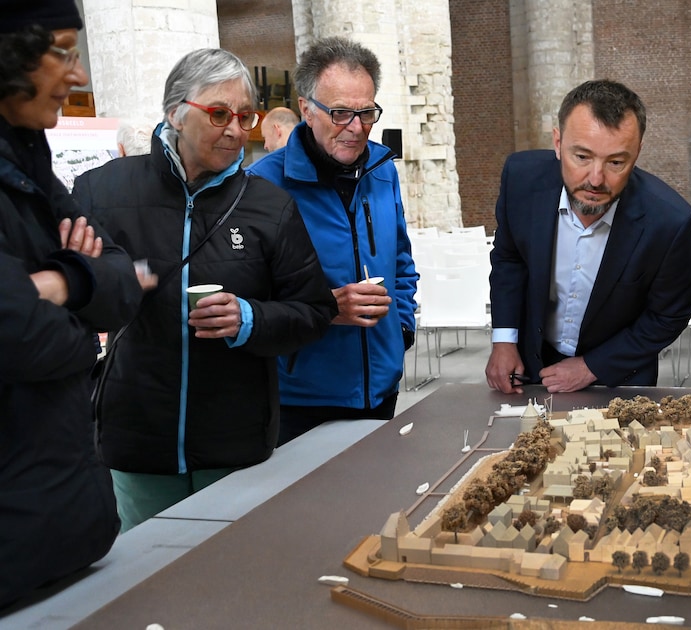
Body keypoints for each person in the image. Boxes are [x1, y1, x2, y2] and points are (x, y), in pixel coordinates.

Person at [75, 48, 337, 531]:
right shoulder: (101, 193)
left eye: (245, 116)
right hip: (139, 435)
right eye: (218, 114)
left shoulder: (269, 205)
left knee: (229, 583)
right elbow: (70, 305)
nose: (236, 130)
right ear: (175, 113)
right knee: (143, 584)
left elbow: (314, 310)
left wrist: (249, 318)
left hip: (234, 438)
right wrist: (101, 287)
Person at [0, 1, 141, 607]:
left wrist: (64, 285)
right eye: (61, 50)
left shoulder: (28, 162)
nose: (78, 76)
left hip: (63, 534)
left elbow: (126, 281)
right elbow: (19, 338)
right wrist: (86, 320)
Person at [249, 37, 418, 443]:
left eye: (366, 113)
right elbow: (252, 298)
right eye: (340, 113)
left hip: (381, 385)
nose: (356, 128)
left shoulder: (382, 169)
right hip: (304, 396)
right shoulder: (263, 185)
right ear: (306, 109)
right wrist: (326, 307)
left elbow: (400, 262)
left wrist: (401, 330)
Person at [485, 79, 691, 395]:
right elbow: (509, 258)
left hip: (618, 378)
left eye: (616, 162)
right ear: (558, 143)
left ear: (637, 152)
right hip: (530, 367)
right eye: (582, 157)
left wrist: (591, 367)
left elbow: (670, 314)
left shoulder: (669, 221)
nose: (596, 179)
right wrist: (504, 340)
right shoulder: (521, 178)